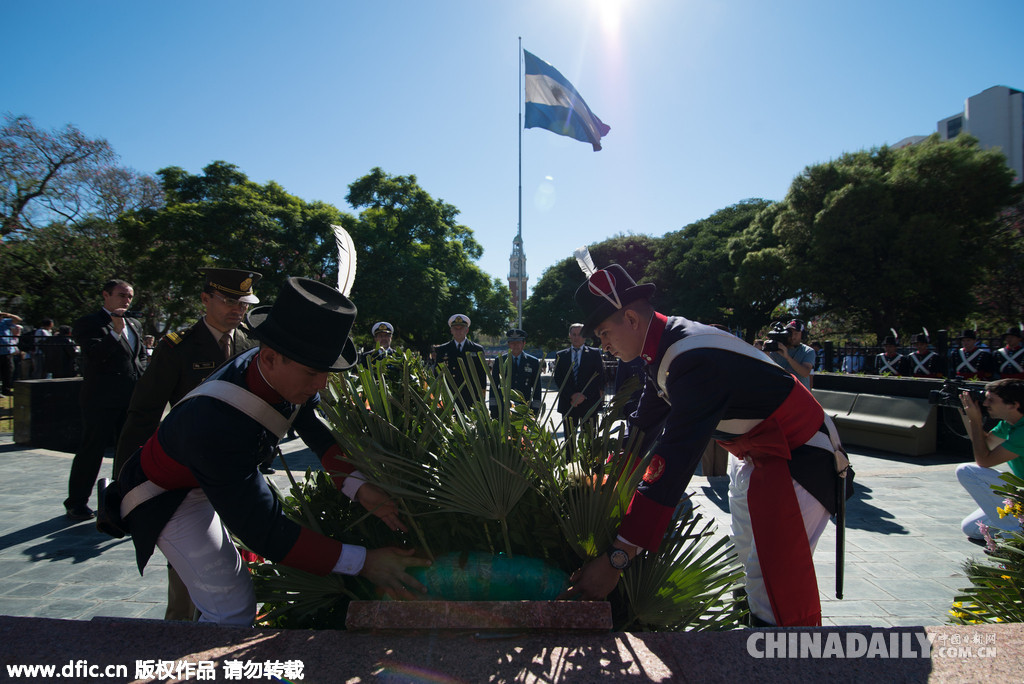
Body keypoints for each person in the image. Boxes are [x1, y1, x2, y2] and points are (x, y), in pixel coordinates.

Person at [115, 277, 430, 626]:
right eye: (313, 372)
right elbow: (264, 530)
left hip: (218, 475)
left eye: (326, 371)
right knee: (231, 604)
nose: (321, 385)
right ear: (268, 357)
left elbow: (313, 428)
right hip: (170, 497)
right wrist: (367, 562)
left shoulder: (284, 367)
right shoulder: (216, 426)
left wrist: (357, 485)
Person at [560, 263, 849, 628]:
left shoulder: (691, 358)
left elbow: (675, 456)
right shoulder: (663, 347)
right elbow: (644, 423)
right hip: (758, 454)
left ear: (630, 319)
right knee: (750, 563)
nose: (603, 345)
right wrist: (609, 475)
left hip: (796, 457)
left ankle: (780, 664)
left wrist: (620, 555)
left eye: (604, 332)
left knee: (772, 581)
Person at [114, 268, 261, 621]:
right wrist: (125, 480)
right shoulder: (177, 348)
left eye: (243, 303)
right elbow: (144, 413)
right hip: (189, 477)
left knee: (236, 562)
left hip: (237, 475)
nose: (237, 310)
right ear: (205, 298)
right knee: (187, 574)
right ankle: (177, 642)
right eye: (228, 300)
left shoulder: (251, 346)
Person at [65, 279, 147, 521]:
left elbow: (139, 358)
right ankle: (77, 502)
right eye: (121, 295)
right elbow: (95, 355)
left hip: (130, 399)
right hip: (100, 399)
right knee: (92, 450)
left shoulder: (135, 324)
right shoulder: (89, 323)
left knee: (129, 452)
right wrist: (116, 331)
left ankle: (123, 499)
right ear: (106, 295)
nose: (126, 300)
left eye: (129, 296)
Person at [955, 378, 1024, 542]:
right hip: (1020, 492)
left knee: (967, 471)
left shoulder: (1022, 432)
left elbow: (984, 461)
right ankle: (1016, 528)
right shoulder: (1009, 423)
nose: (985, 404)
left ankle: (1016, 535)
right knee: (972, 527)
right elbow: (984, 444)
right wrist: (966, 413)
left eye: (991, 400)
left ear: (1013, 405)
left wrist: (976, 420)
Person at [552, 323, 605, 448]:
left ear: (585, 336)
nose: (577, 337)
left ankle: (590, 466)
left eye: (580, 334)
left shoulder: (594, 353)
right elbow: (558, 379)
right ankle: (569, 463)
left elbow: (600, 378)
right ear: (569, 336)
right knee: (569, 441)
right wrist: (572, 395)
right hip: (568, 403)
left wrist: (583, 395)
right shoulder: (561, 355)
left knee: (590, 440)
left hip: (589, 403)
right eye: (574, 334)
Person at [434, 314, 488, 410]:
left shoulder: (476, 349)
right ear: (451, 330)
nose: (458, 331)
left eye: (461, 328)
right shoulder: (442, 349)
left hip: (471, 396)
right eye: (455, 328)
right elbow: (436, 373)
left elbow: (482, 375)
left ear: (466, 330)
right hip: (449, 395)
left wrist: (481, 397)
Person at [488, 328, 542, 418]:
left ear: (524, 343)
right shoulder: (500, 360)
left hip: (524, 407)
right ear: (508, 344)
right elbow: (494, 385)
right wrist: (493, 406)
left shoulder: (533, 362)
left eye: (518, 342)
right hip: (504, 407)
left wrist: (535, 408)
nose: (515, 345)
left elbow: (537, 387)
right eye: (512, 343)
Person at [766, 319, 815, 390]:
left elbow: (805, 372)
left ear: (802, 335)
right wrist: (766, 351)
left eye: (796, 334)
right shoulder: (777, 350)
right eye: (790, 333)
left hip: (800, 394)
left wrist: (787, 357)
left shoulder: (808, 351)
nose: (792, 337)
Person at [0, 312, 23, 396]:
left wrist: (8, 314)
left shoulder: (5, 321)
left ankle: (6, 389)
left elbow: (18, 320)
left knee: (8, 371)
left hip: (7, 351)